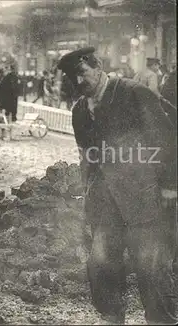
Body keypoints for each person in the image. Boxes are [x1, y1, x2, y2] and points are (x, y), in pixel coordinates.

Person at [58, 47, 177, 325]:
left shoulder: (134, 94)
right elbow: (87, 157)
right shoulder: (79, 112)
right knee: (100, 266)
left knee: (152, 269)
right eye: (71, 78)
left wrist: (171, 187)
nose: (77, 83)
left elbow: (168, 142)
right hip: (105, 204)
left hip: (144, 200)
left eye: (81, 74)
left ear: (98, 66)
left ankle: (162, 321)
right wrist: (87, 193)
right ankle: (112, 318)